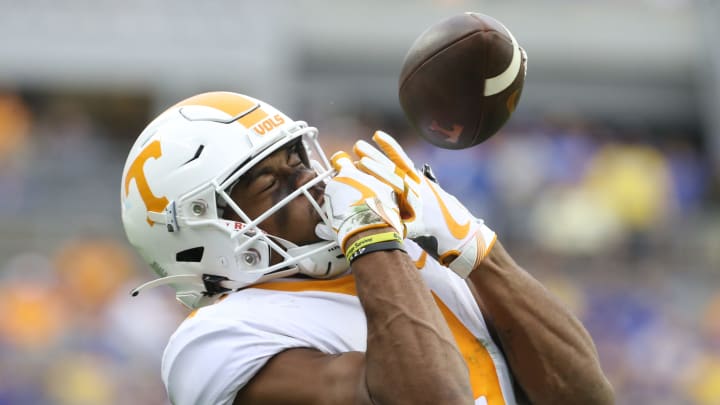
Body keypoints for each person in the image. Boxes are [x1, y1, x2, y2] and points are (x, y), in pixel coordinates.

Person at [121, 91, 614, 405]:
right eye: (270, 181)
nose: (309, 182)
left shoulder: (402, 260)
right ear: (201, 234)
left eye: (298, 159)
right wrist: (370, 237)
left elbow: (587, 398)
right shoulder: (214, 339)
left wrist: (479, 250)